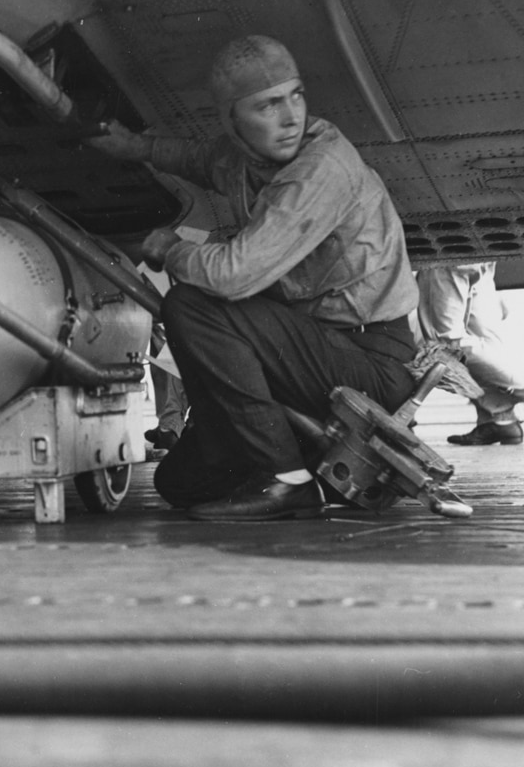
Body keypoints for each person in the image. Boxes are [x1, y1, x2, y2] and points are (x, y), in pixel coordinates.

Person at [85, 35, 418, 521]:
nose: (290, 117)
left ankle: (288, 480)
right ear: (234, 121)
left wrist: (172, 249)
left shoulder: (322, 168)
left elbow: (234, 276)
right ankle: (281, 456)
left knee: (191, 305)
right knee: (178, 482)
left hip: (369, 359)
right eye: (267, 105)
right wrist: (135, 148)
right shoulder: (248, 158)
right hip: (313, 352)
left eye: (296, 96)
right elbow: (199, 159)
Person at [417, 262, 524, 445]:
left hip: (445, 252)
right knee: (482, 336)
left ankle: (511, 396)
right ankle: (499, 418)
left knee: (445, 347)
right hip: (477, 249)